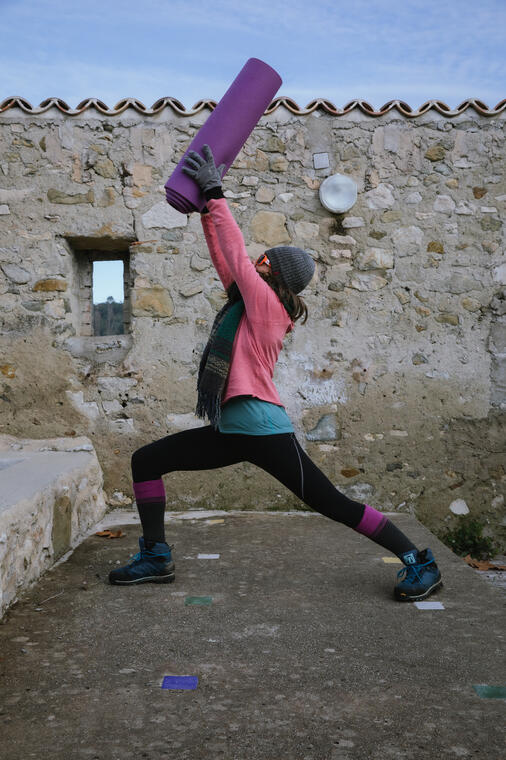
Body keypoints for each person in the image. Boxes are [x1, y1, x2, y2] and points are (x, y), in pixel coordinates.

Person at [109, 145, 442, 602]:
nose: (256, 262)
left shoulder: (268, 307)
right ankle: (156, 556)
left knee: (333, 504)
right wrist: (208, 210)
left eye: (265, 260)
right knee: (146, 461)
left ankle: (418, 560)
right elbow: (227, 261)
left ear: (276, 276)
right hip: (231, 430)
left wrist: (215, 191)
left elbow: (238, 259)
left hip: (264, 431)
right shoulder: (248, 303)